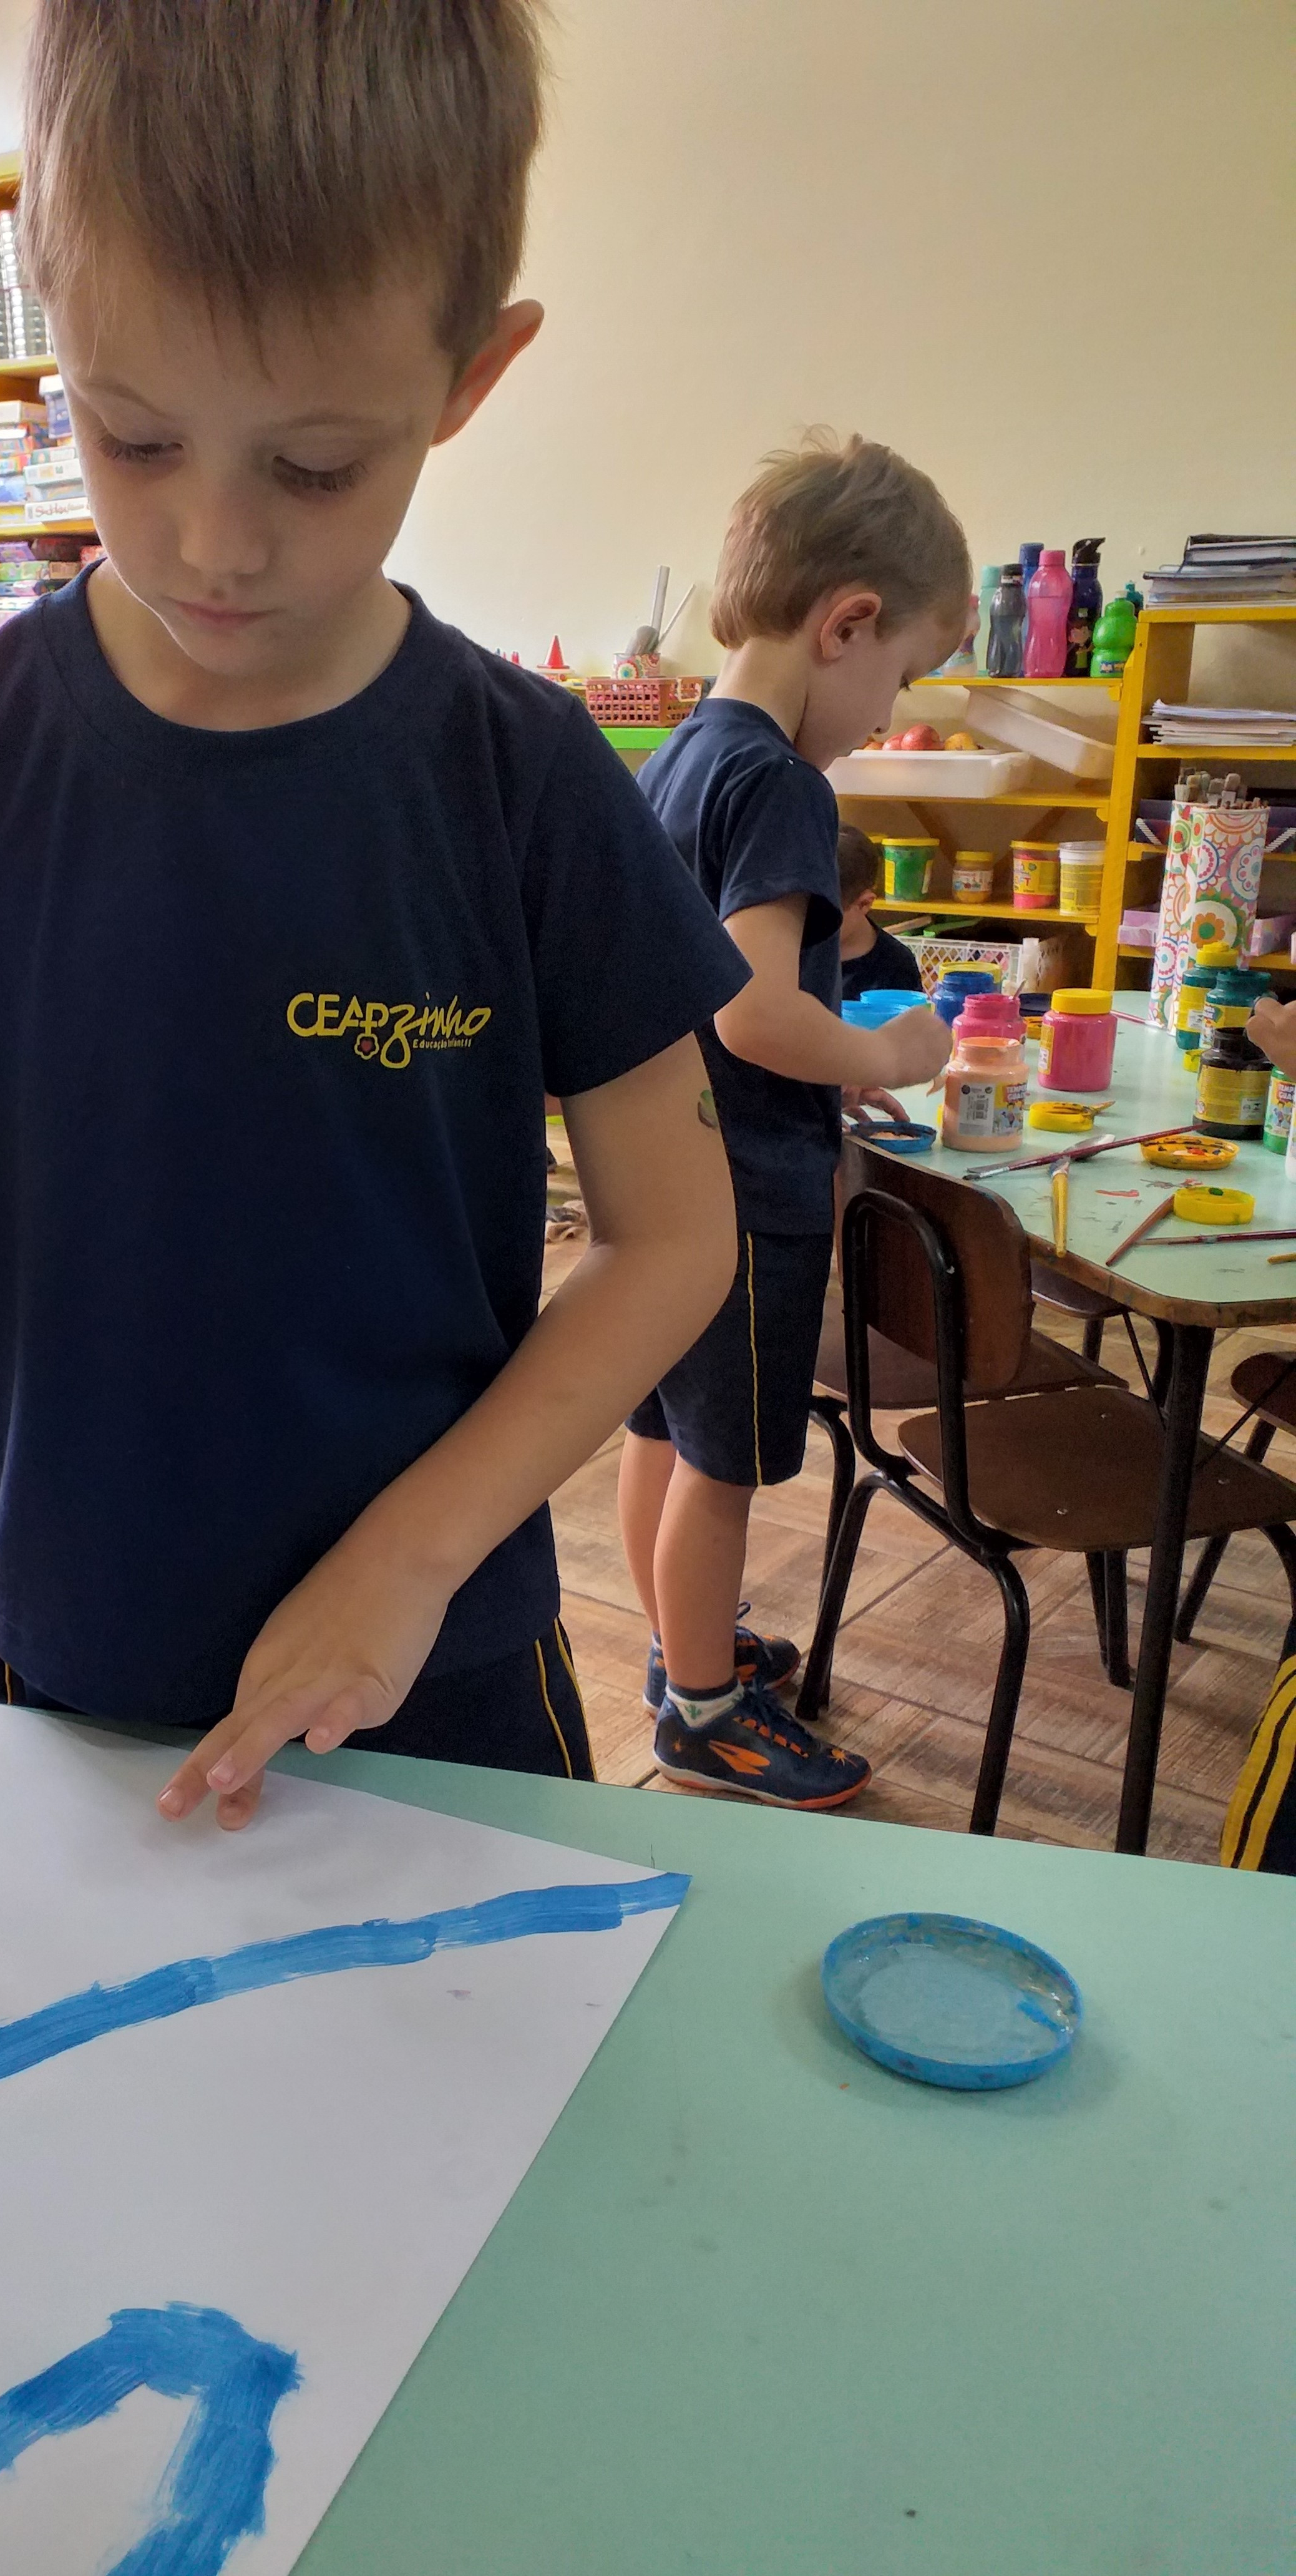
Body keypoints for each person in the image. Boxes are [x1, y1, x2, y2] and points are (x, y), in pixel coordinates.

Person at [0, 0, 751, 1834]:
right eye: (133, 436)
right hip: (79, 1676)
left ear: (470, 374)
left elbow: (674, 1236)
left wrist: (411, 1554)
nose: (216, 543)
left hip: (444, 1677)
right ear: (52, 321)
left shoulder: (523, 775)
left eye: (313, 465)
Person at [618, 434, 967, 1810]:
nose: (886, 712)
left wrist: (833, 1070)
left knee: (661, 1433)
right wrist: (884, 1047)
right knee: (722, 1468)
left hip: (663, 1177)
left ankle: (677, 1650)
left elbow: (706, 1000)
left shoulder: (676, 757)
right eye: (903, 676)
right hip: (747, 1200)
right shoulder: (780, 783)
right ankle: (707, 1714)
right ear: (848, 623)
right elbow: (759, 1007)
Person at [836, 823, 927, 1003]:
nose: (802, 926)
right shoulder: (790, 951)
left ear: (864, 904)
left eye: (819, 919)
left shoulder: (896, 965)